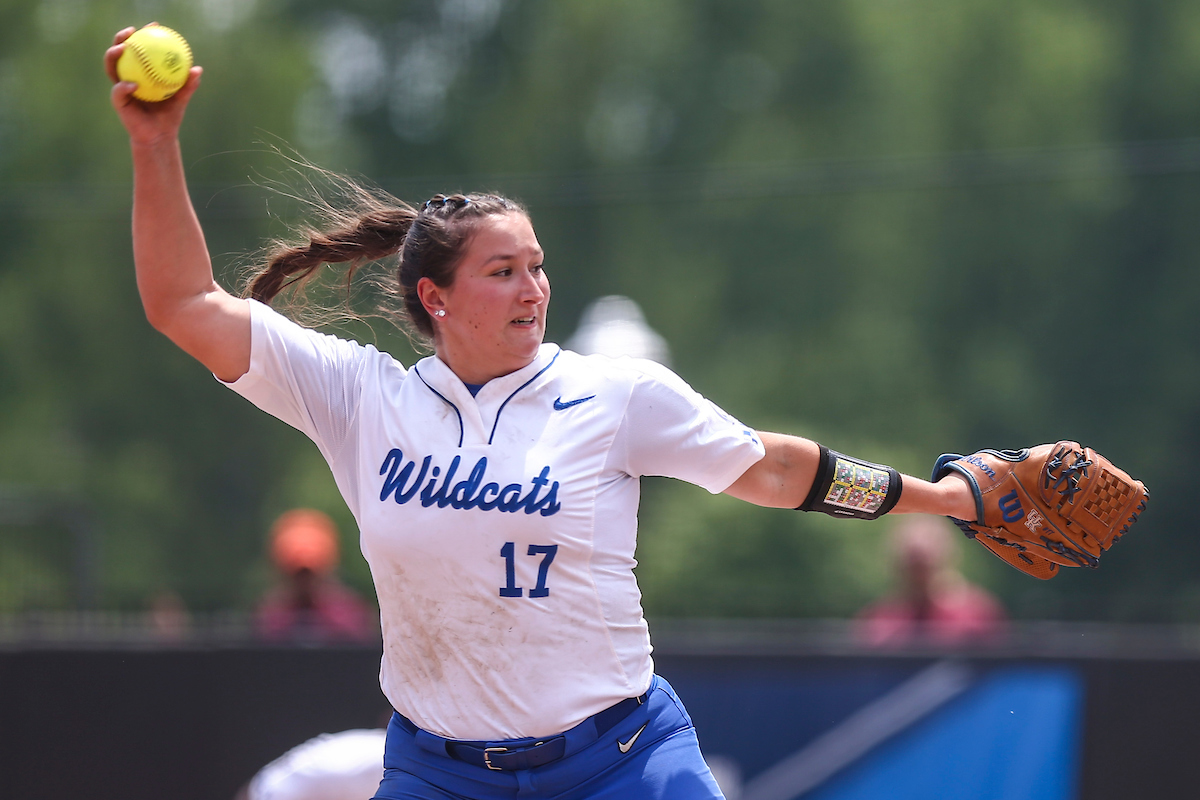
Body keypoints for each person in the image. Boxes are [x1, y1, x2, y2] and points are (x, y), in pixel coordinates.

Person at [106, 26, 979, 800]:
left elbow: (776, 468)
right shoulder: (362, 399)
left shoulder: (615, 395)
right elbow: (183, 304)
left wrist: (942, 498)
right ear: (435, 297)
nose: (534, 289)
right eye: (503, 272)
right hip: (441, 775)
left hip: (621, 762)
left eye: (538, 265)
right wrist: (156, 144)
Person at [854, 515, 1007, 647]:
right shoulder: (881, 622)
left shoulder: (975, 615)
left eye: (925, 565)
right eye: (913, 566)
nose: (920, 576)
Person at [255, 508, 376, 643]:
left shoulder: (348, 617)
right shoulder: (271, 620)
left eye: (310, 574)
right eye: (298, 575)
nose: (305, 582)